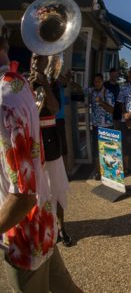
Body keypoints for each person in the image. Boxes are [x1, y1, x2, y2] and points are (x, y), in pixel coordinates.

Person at [0, 18, 80, 291]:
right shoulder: (18, 83)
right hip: (39, 220)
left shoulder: (6, 95)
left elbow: (22, 196)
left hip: (23, 230)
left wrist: (44, 84)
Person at [29, 54, 73, 248]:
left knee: (56, 185)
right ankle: (43, 226)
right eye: (34, 59)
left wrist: (45, 84)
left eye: (40, 59)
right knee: (37, 187)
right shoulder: (23, 82)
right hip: (32, 140)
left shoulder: (52, 82)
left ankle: (62, 228)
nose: (36, 63)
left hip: (50, 139)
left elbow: (54, 108)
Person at [87, 73, 115, 180]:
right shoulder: (92, 91)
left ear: (102, 81)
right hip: (96, 126)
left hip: (107, 126)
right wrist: (69, 81)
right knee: (96, 151)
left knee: (108, 150)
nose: (97, 83)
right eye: (95, 81)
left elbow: (112, 110)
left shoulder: (108, 93)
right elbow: (80, 89)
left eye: (99, 81)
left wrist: (101, 102)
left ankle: (108, 173)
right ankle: (98, 172)